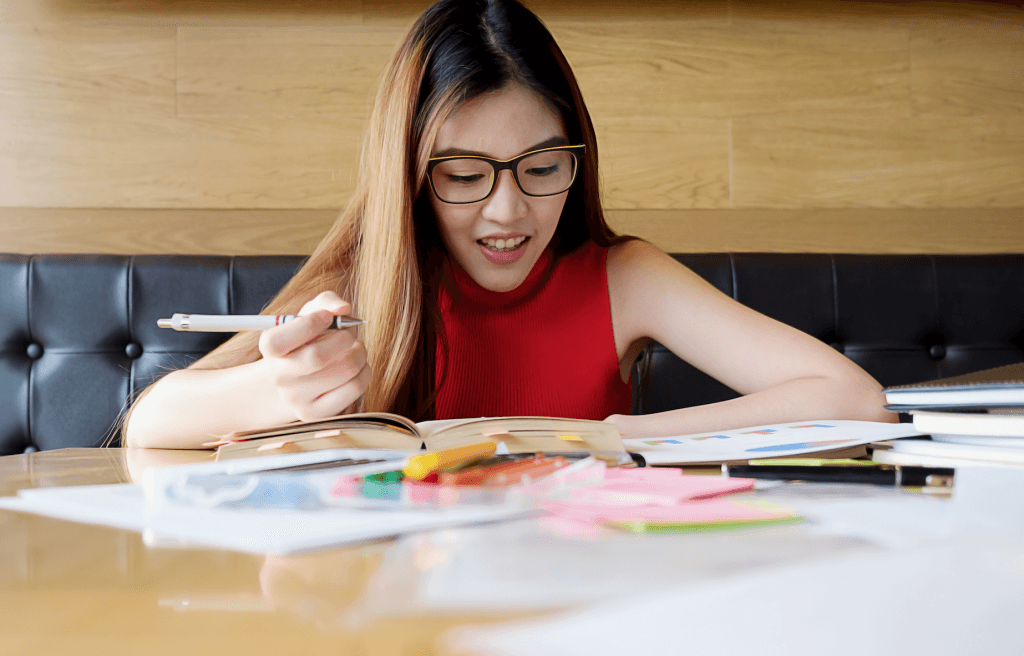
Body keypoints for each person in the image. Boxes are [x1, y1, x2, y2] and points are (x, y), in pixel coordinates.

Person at [123, 0, 894, 449]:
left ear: (577, 158)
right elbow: (151, 426)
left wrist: (613, 436)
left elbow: (854, 400)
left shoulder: (622, 277)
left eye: (541, 167)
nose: (507, 211)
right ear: (412, 180)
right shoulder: (371, 285)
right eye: (463, 175)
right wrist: (286, 391)